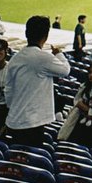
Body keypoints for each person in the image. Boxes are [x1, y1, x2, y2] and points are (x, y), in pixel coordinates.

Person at [4, 15, 70, 146]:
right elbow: (66, 70)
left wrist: (15, 108)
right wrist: (58, 53)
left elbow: (8, 90)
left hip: (14, 119)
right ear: (45, 36)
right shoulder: (43, 57)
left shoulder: (16, 58)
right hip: (32, 123)